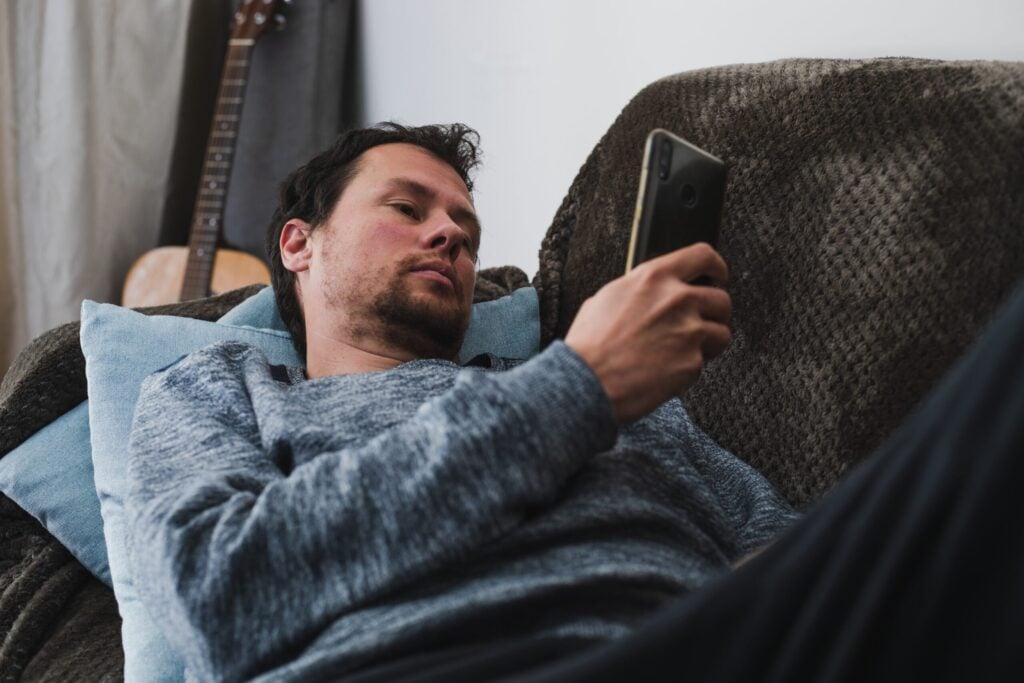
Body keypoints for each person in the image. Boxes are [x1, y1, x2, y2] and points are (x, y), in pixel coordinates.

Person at [125, 123, 1024, 683]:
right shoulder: (218, 387)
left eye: (466, 231)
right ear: (298, 244)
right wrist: (575, 389)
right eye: (407, 206)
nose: (449, 233)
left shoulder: (616, 383)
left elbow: (778, 543)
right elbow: (219, 596)